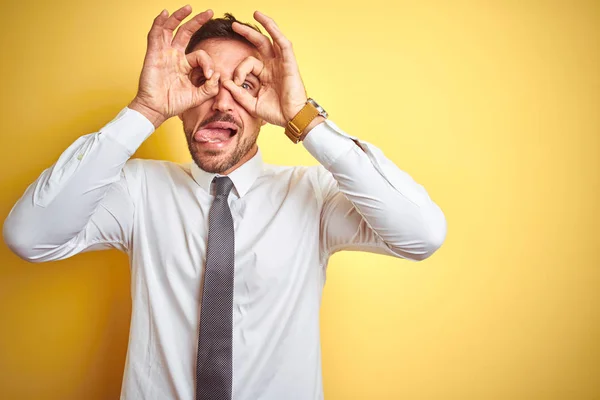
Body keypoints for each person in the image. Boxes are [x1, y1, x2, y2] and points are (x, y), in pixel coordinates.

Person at [3, 5, 447, 400]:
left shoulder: (313, 196)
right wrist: (145, 109)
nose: (222, 101)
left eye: (246, 84)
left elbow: (422, 235)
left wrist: (302, 117)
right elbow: (29, 236)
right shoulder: (137, 191)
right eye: (201, 81)